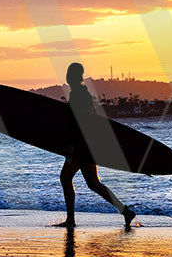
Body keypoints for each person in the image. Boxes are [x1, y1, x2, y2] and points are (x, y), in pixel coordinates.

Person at [54, 62, 136, 229]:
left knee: (66, 178)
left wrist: (72, 146)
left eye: (70, 73)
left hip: (81, 145)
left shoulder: (79, 94)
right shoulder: (81, 93)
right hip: (88, 144)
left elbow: (81, 122)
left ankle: (71, 219)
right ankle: (125, 212)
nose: (68, 76)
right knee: (93, 183)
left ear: (75, 76)